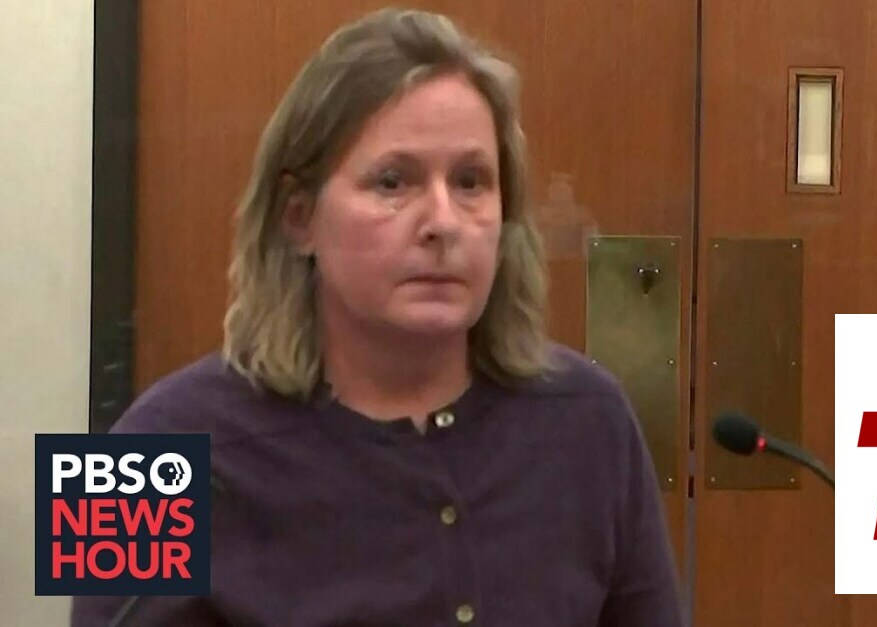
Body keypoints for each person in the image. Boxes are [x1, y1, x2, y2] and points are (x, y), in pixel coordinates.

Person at [71, 8, 684, 627]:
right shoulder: (145, 451)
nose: (442, 221)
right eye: (393, 182)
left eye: (471, 181)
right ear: (298, 216)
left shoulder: (592, 418)